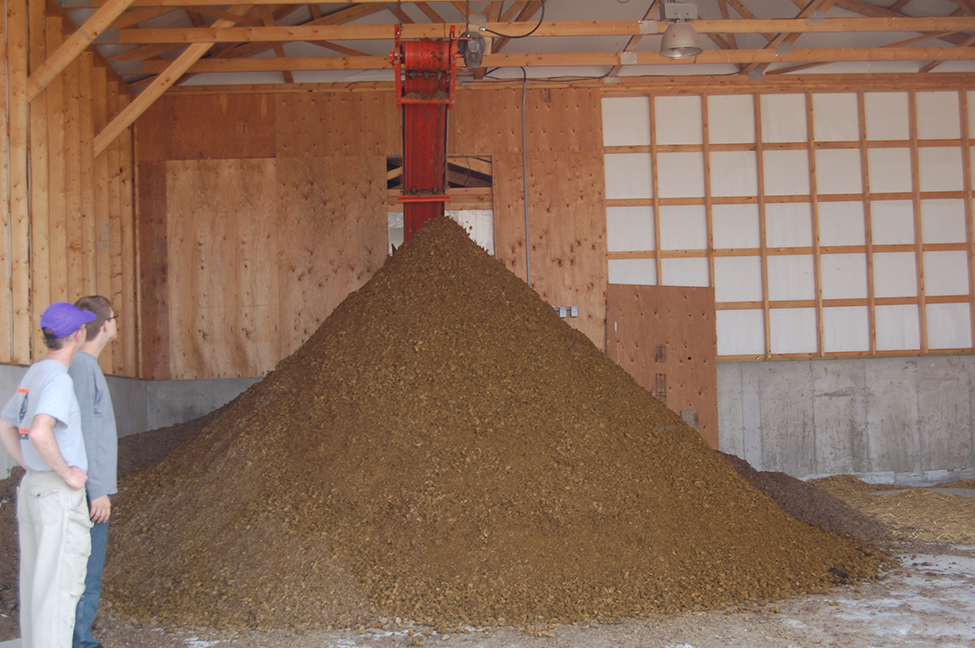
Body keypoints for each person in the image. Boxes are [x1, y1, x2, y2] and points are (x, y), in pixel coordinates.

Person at [0, 302, 97, 648]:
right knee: (58, 588)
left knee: (37, 585)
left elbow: (6, 425)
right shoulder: (57, 379)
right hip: (56, 495)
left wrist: (30, 464)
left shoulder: (36, 373)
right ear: (78, 334)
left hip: (33, 491)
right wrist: (67, 472)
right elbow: (41, 431)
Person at [70, 296, 119, 648]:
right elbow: (84, 431)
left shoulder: (85, 365)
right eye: (114, 317)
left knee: (86, 568)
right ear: (104, 324)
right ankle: (80, 642)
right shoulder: (83, 368)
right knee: (86, 570)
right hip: (90, 491)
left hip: (89, 486)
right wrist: (97, 489)